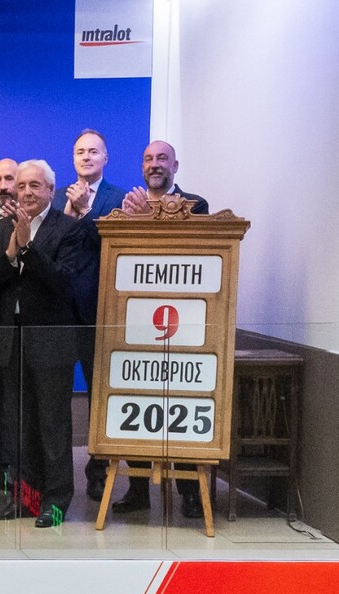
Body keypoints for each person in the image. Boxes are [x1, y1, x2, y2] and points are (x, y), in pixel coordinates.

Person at [0, 160, 83, 528]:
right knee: (17, 427)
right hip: (11, 341)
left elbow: (64, 283)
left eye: (34, 186)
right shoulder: (1, 227)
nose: (25, 192)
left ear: (51, 191)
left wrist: (28, 248)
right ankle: (23, 499)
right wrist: (11, 253)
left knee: (53, 428)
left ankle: (55, 503)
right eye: (21, 186)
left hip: (51, 344)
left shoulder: (68, 229)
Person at [112, 140, 211, 519]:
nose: (155, 165)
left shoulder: (196, 205)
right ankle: (138, 489)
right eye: (148, 159)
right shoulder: (127, 206)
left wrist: (147, 219)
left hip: (182, 326)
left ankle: (189, 492)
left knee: (181, 405)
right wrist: (131, 220)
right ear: (142, 167)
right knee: (137, 401)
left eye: (162, 159)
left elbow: (188, 248)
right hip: (138, 322)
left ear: (175, 166)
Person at [62, 129, 124, 502]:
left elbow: (109, 246)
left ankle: (97, 471)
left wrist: (85, 213)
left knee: (98, 396)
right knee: (55, 396)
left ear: (105, 158)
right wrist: (70, 212)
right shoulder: (57, 197)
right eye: (80, 151)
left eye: (93, 151)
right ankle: (56, 475)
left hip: (98, 313)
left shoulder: (120, 199)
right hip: (59, 313)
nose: (86, 157)